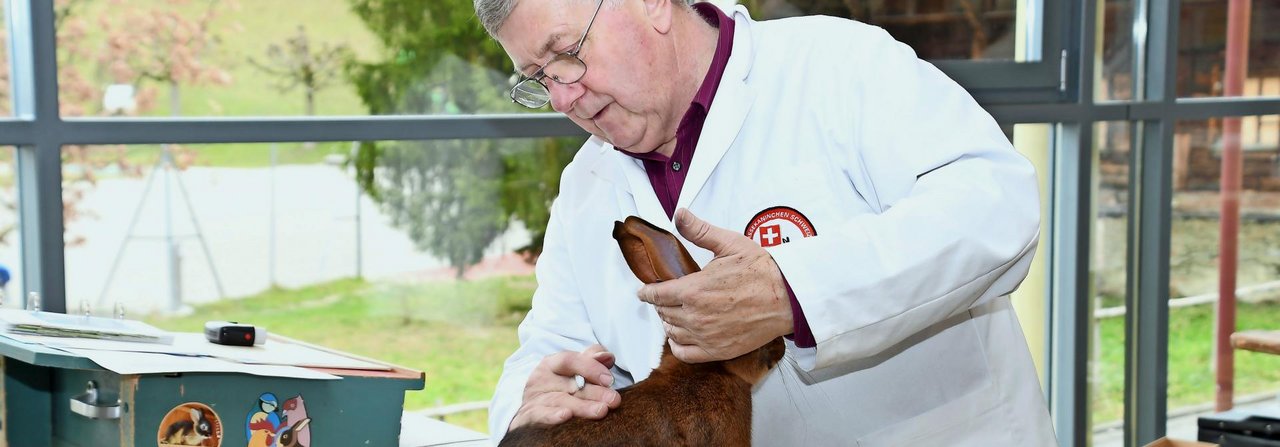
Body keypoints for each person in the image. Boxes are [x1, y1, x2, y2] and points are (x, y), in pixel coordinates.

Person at [475, 0, 1059, 444]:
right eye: (537, 78)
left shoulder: (837, 65)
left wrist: (793, 291)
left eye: (566, 53)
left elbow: (995, 205)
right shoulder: (585, 187)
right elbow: (549, 346)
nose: (560, 97)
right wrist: (534, 400)